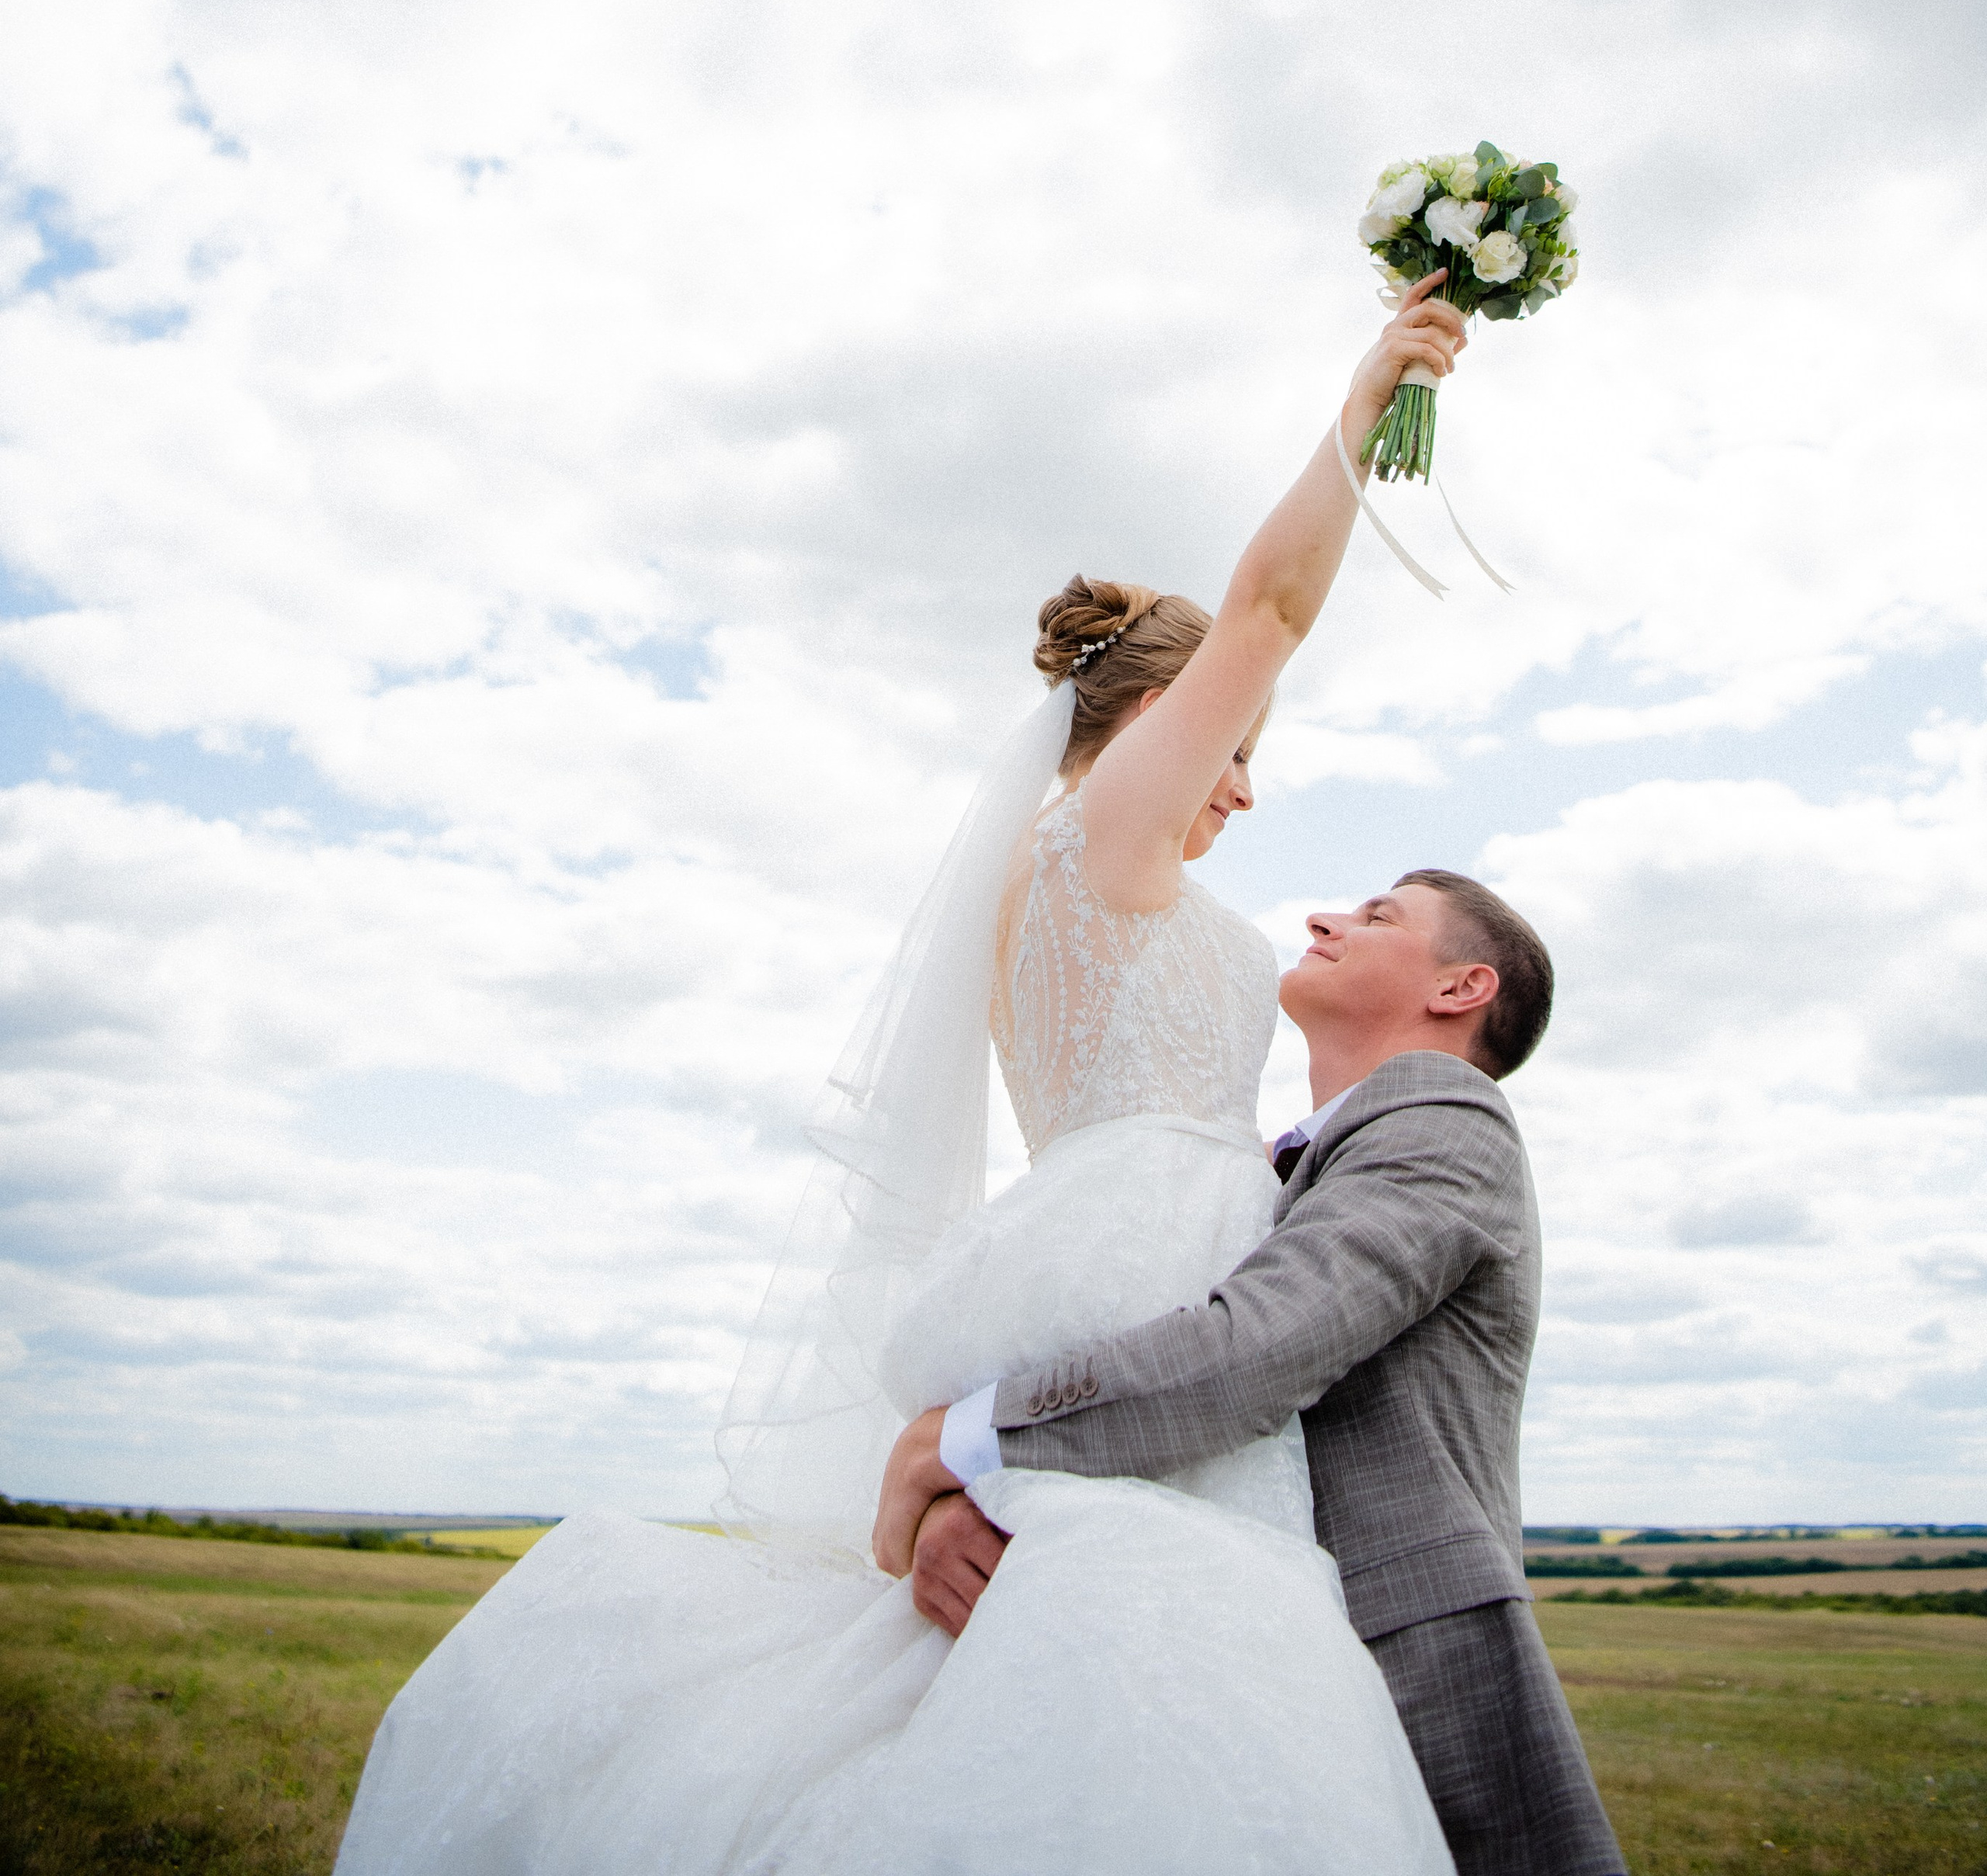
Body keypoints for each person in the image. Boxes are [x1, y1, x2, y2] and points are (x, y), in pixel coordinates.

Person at [336, 277, 1471, 1876]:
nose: (1245, 784)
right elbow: (1270, 609)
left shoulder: (1074, 873)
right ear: (1152, 719)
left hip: (1133, 1257)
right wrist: (1366, 402)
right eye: (1229, 743)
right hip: (1141, 1262)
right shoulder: (1105, 845)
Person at [876, 870, 1629, 1876]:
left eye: (1377, 918)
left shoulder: (1443, 1111)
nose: (1325, 919)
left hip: (1396, 1642)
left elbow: (1253, 1355)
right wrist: (980, 1510)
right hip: (1240, 1643)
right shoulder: (1278, 1171)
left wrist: (963, 1441)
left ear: (1461, 989)